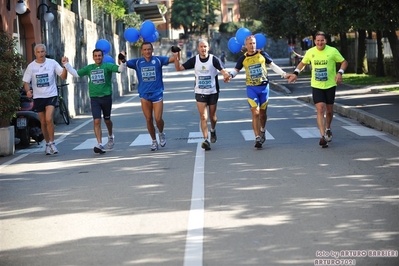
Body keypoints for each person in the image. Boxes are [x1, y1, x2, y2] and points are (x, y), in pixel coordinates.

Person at [226, 35, 293, 149]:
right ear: (246, 45)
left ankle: (262, 130)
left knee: (262, 114)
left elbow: (272, 65)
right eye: (250, 44)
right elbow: (236, 69)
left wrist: (284, 74)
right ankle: (257, 138)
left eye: (254, 43)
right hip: (252, 88)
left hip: (264, 88)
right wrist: (230, 75)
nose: (252, 46)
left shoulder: (262, 54)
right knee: (255, 112)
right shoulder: (243, 58)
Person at [288, 31, 348, 148]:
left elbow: (344, 62)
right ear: (314, 41)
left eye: (322, 40)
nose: (320, 42)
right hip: (316, 85)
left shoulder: (332, 51)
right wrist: (296, 73)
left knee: (329, 111)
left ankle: (328, 128)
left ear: (325, 40)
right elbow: (303, 63)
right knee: (320, 109)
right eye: (318, 40)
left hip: (330, 85)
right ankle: (322, 136)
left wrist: (340, 73)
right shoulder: (311, 52)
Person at [62, 49, 126, 154]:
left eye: (99, 56)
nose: (98, 57)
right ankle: (99, 144)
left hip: (106, 97)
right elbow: (76, 74)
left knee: (107, 120)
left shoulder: (107, 66)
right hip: (94, 98)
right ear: (93, 57)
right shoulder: (89, 68)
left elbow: (120, 70)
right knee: (97, 121)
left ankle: (110, 135)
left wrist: (123, 61)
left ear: (103, 57)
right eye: (95, 56)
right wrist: (66, 64)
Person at [173, 39, 231, 150]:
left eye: (205, 46)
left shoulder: (214, 59)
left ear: (208, 48)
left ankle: (213, 131)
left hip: (213, 92)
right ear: (198, 48)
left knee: (213, 118)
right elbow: (178, 68)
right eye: (201, 46)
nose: (203, 49)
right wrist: (176, 56)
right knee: (203, 117)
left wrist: (225, 75)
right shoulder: (194, 60)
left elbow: (223, 70)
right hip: (200, 92)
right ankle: (206, 140)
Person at [125, 42, 176, 151]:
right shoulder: (137, 62)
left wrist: (176, 53)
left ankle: (161, 133)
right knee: (148, 119)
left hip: (157, 94)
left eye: (149, 49)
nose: (147, 51)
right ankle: (153, 141)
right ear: (142, 51)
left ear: (152, 50)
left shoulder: (158, 60)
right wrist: (122, 57)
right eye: (145, 50)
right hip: (144, 95)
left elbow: (173, 59)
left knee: (158, 119)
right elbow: (124, 63)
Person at [22, 44, 68, 155]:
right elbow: (26, 82)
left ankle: (52, 143)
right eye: (38, 52)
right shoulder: (31, 66)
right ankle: (47, 144)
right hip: (38, 97)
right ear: (35, 53)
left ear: (45, 52)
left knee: (48, 119)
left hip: (51, 95)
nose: (41, 54)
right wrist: (28, 91)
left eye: (43, 51)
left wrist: (66, 66)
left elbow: (63, 76)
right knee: (42, 122)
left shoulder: (52, 63)